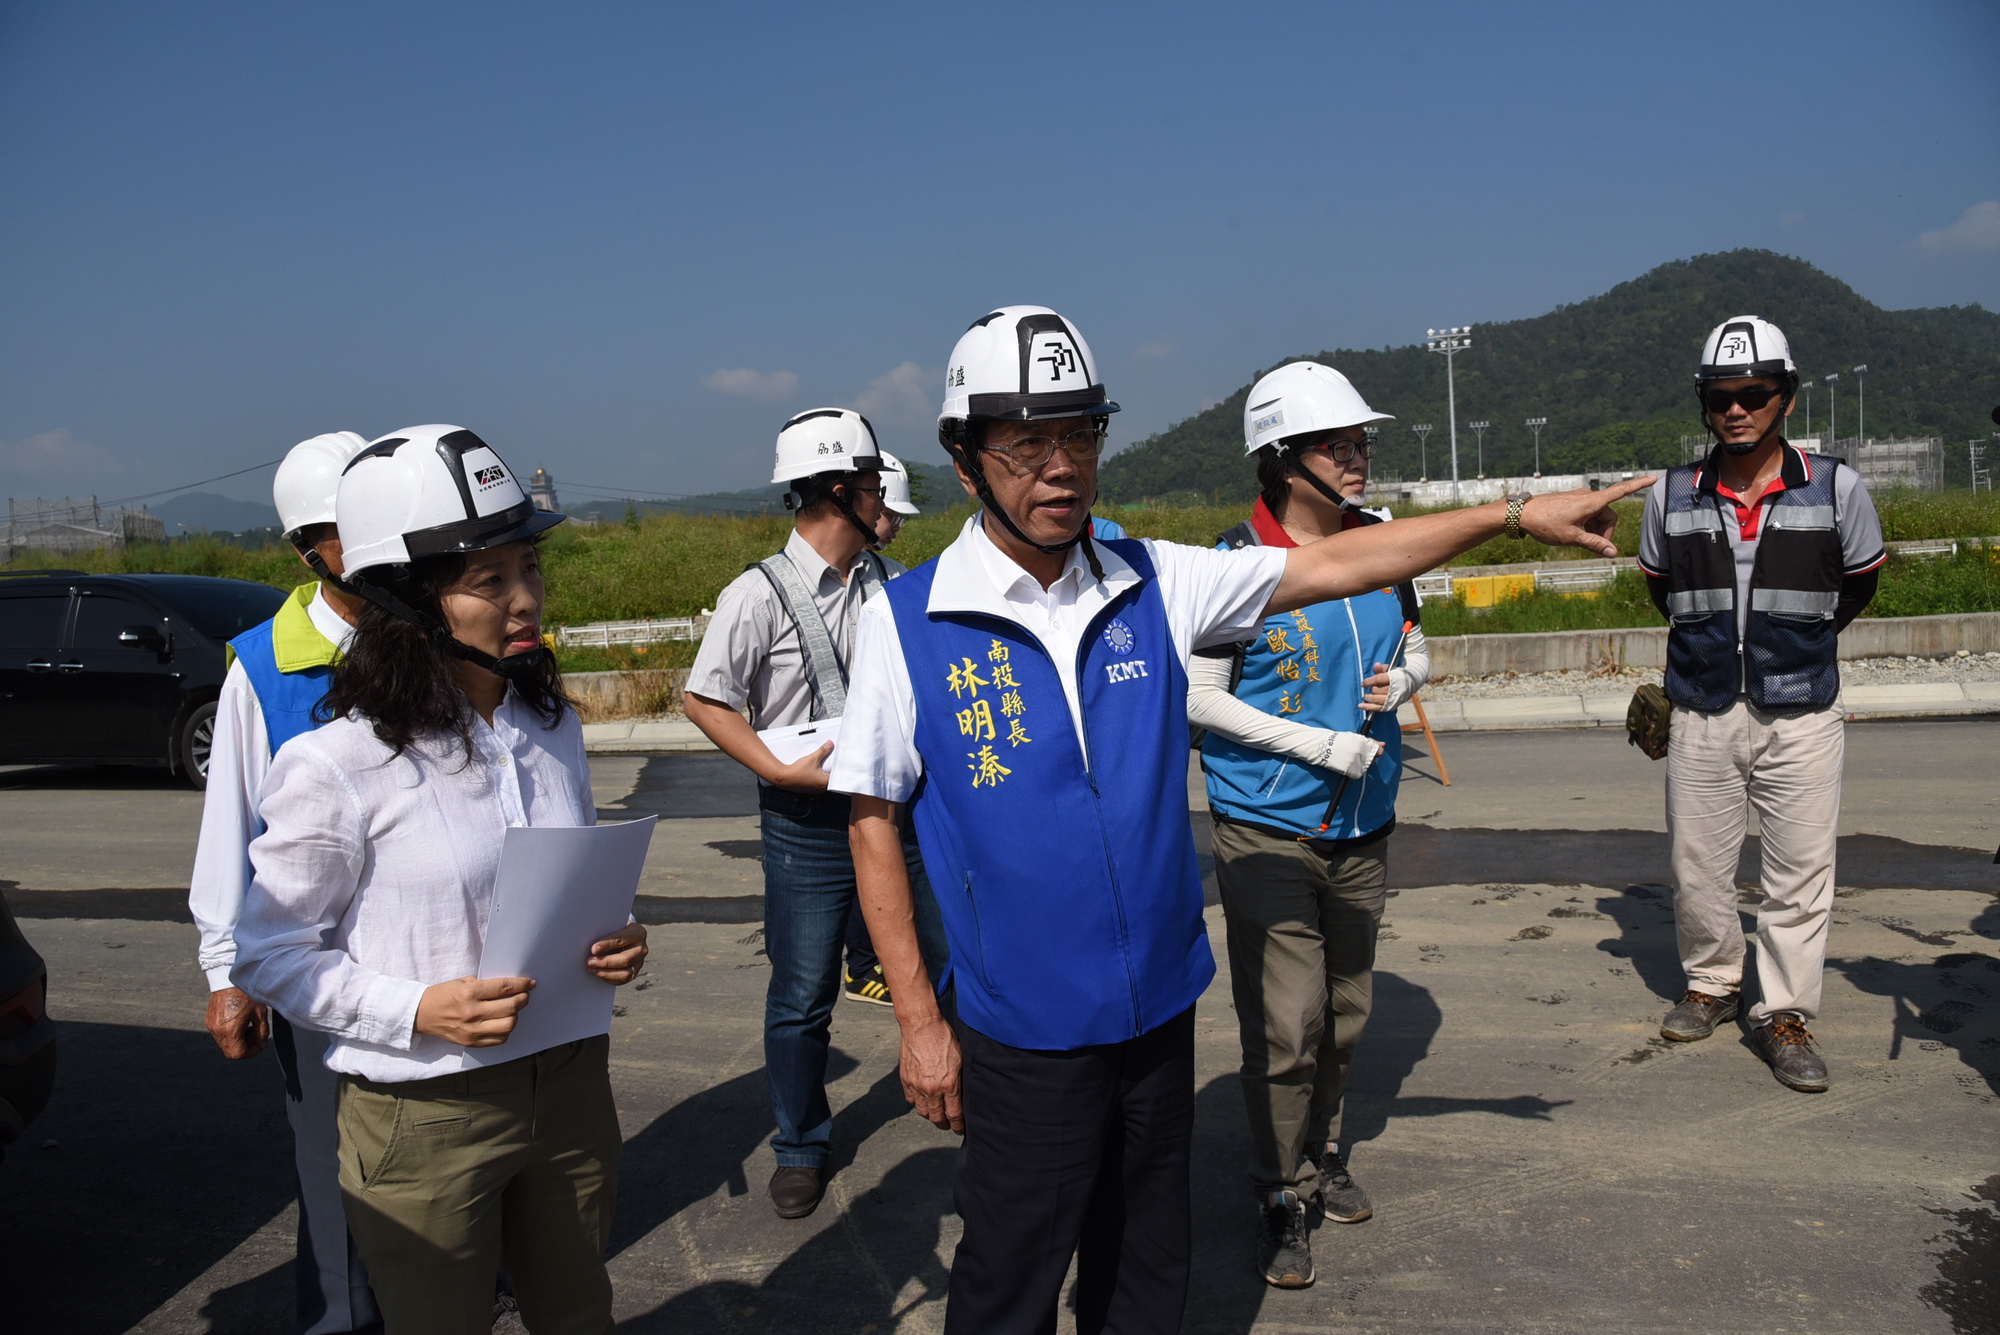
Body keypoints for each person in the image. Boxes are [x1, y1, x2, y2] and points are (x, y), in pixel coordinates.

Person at [831, 304, 1650, 1334]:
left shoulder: (1152, 580)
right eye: (1025, 442)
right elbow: (871, 827)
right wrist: (918, 1026)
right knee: (1007, 1282)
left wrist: (1512, 514)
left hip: (1155, 1013)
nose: (1060, 466)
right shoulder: (906, 623)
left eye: (1079, 435)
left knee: (1143, 1272)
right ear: (963, 461)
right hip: (1022, 1031)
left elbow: (1336, 564)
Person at [233, 425, 648, 1333]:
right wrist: (417, 1009)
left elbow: (562, 888)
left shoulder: (548, 726)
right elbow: (266, 951)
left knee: (580, 1313)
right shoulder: (338, 763)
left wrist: (619, 934)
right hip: (426, 1109)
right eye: (487, 580)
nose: (525, 598)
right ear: (409, 600)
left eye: (527, 567)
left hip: (570, 1082)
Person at [1190, 360, 1430, 1289]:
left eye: (1362, 440)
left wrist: (1405, 678)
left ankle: (1323, 1148)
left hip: (1365, 822)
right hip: (1267, 827)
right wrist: (1318, 747)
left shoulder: (1379, 545)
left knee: (1347, 1017)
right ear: (1285, 459)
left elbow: (1415, 636)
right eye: (1340, 443)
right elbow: (1199, 703)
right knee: (1286, 1025)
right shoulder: (1234, 564)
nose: (1359, 456)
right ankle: (1279, 1188)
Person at [683, 409, 947, 1219]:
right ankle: (800, 1143)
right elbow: (704, 697)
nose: (886, 503)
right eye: (874, 486)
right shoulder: (754, 595)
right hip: (803, 827)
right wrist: (774, 766)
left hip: (889, 814)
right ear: (840, 490)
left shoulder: (889, 585)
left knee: (942, 962)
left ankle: (966, 1090)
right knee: (802, 993)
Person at [1637, 317, 1884, 1092]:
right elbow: (1661, 591)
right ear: (1704, 403)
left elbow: (1859, 584)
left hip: (1802, 709)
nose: (1736, 409)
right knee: (1698, 864)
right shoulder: (1670, 494)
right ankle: (1713, 981)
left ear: (1786, 397)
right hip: (1704, 708)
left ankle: (1783, 1011)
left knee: (1800, 872)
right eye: (1721, 397)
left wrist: (1790, 649)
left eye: (1754, 394)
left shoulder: (1837, 486)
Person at [187, 429, 382, 1335]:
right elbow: (230, 828)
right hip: (313, 968)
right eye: (349, 528)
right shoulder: (262, 666)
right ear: (305, 548)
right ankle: (339, 1316)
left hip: (420, 952)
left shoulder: (423, 638)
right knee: (329, 1161)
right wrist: (227, 971)